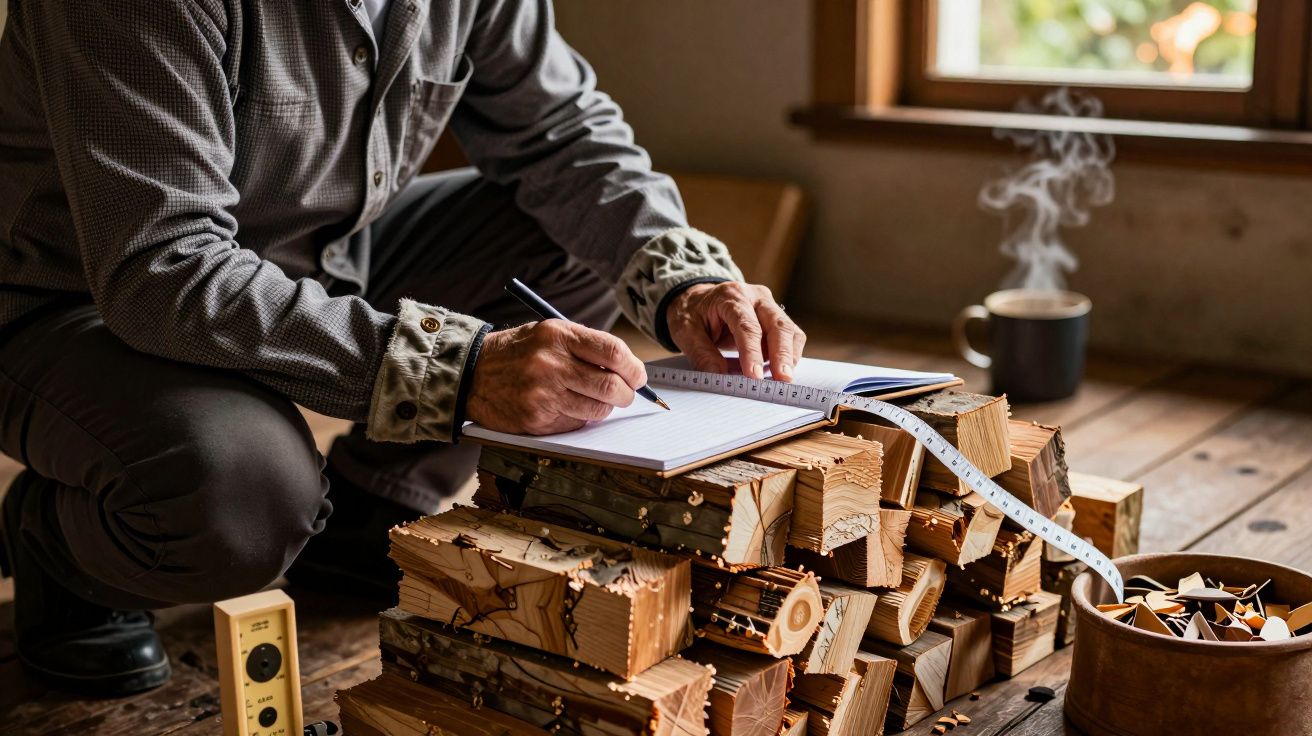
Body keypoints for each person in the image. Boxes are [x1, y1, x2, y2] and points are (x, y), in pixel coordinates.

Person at [0, 0, 806, 696]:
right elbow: (161, 269)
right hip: (82, 301)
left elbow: (563, 133)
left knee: (572, 240)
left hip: (320, 256)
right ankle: (61, 553)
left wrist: (687, 282)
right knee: (247, 494)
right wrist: (456, 372)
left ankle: (370, 512)